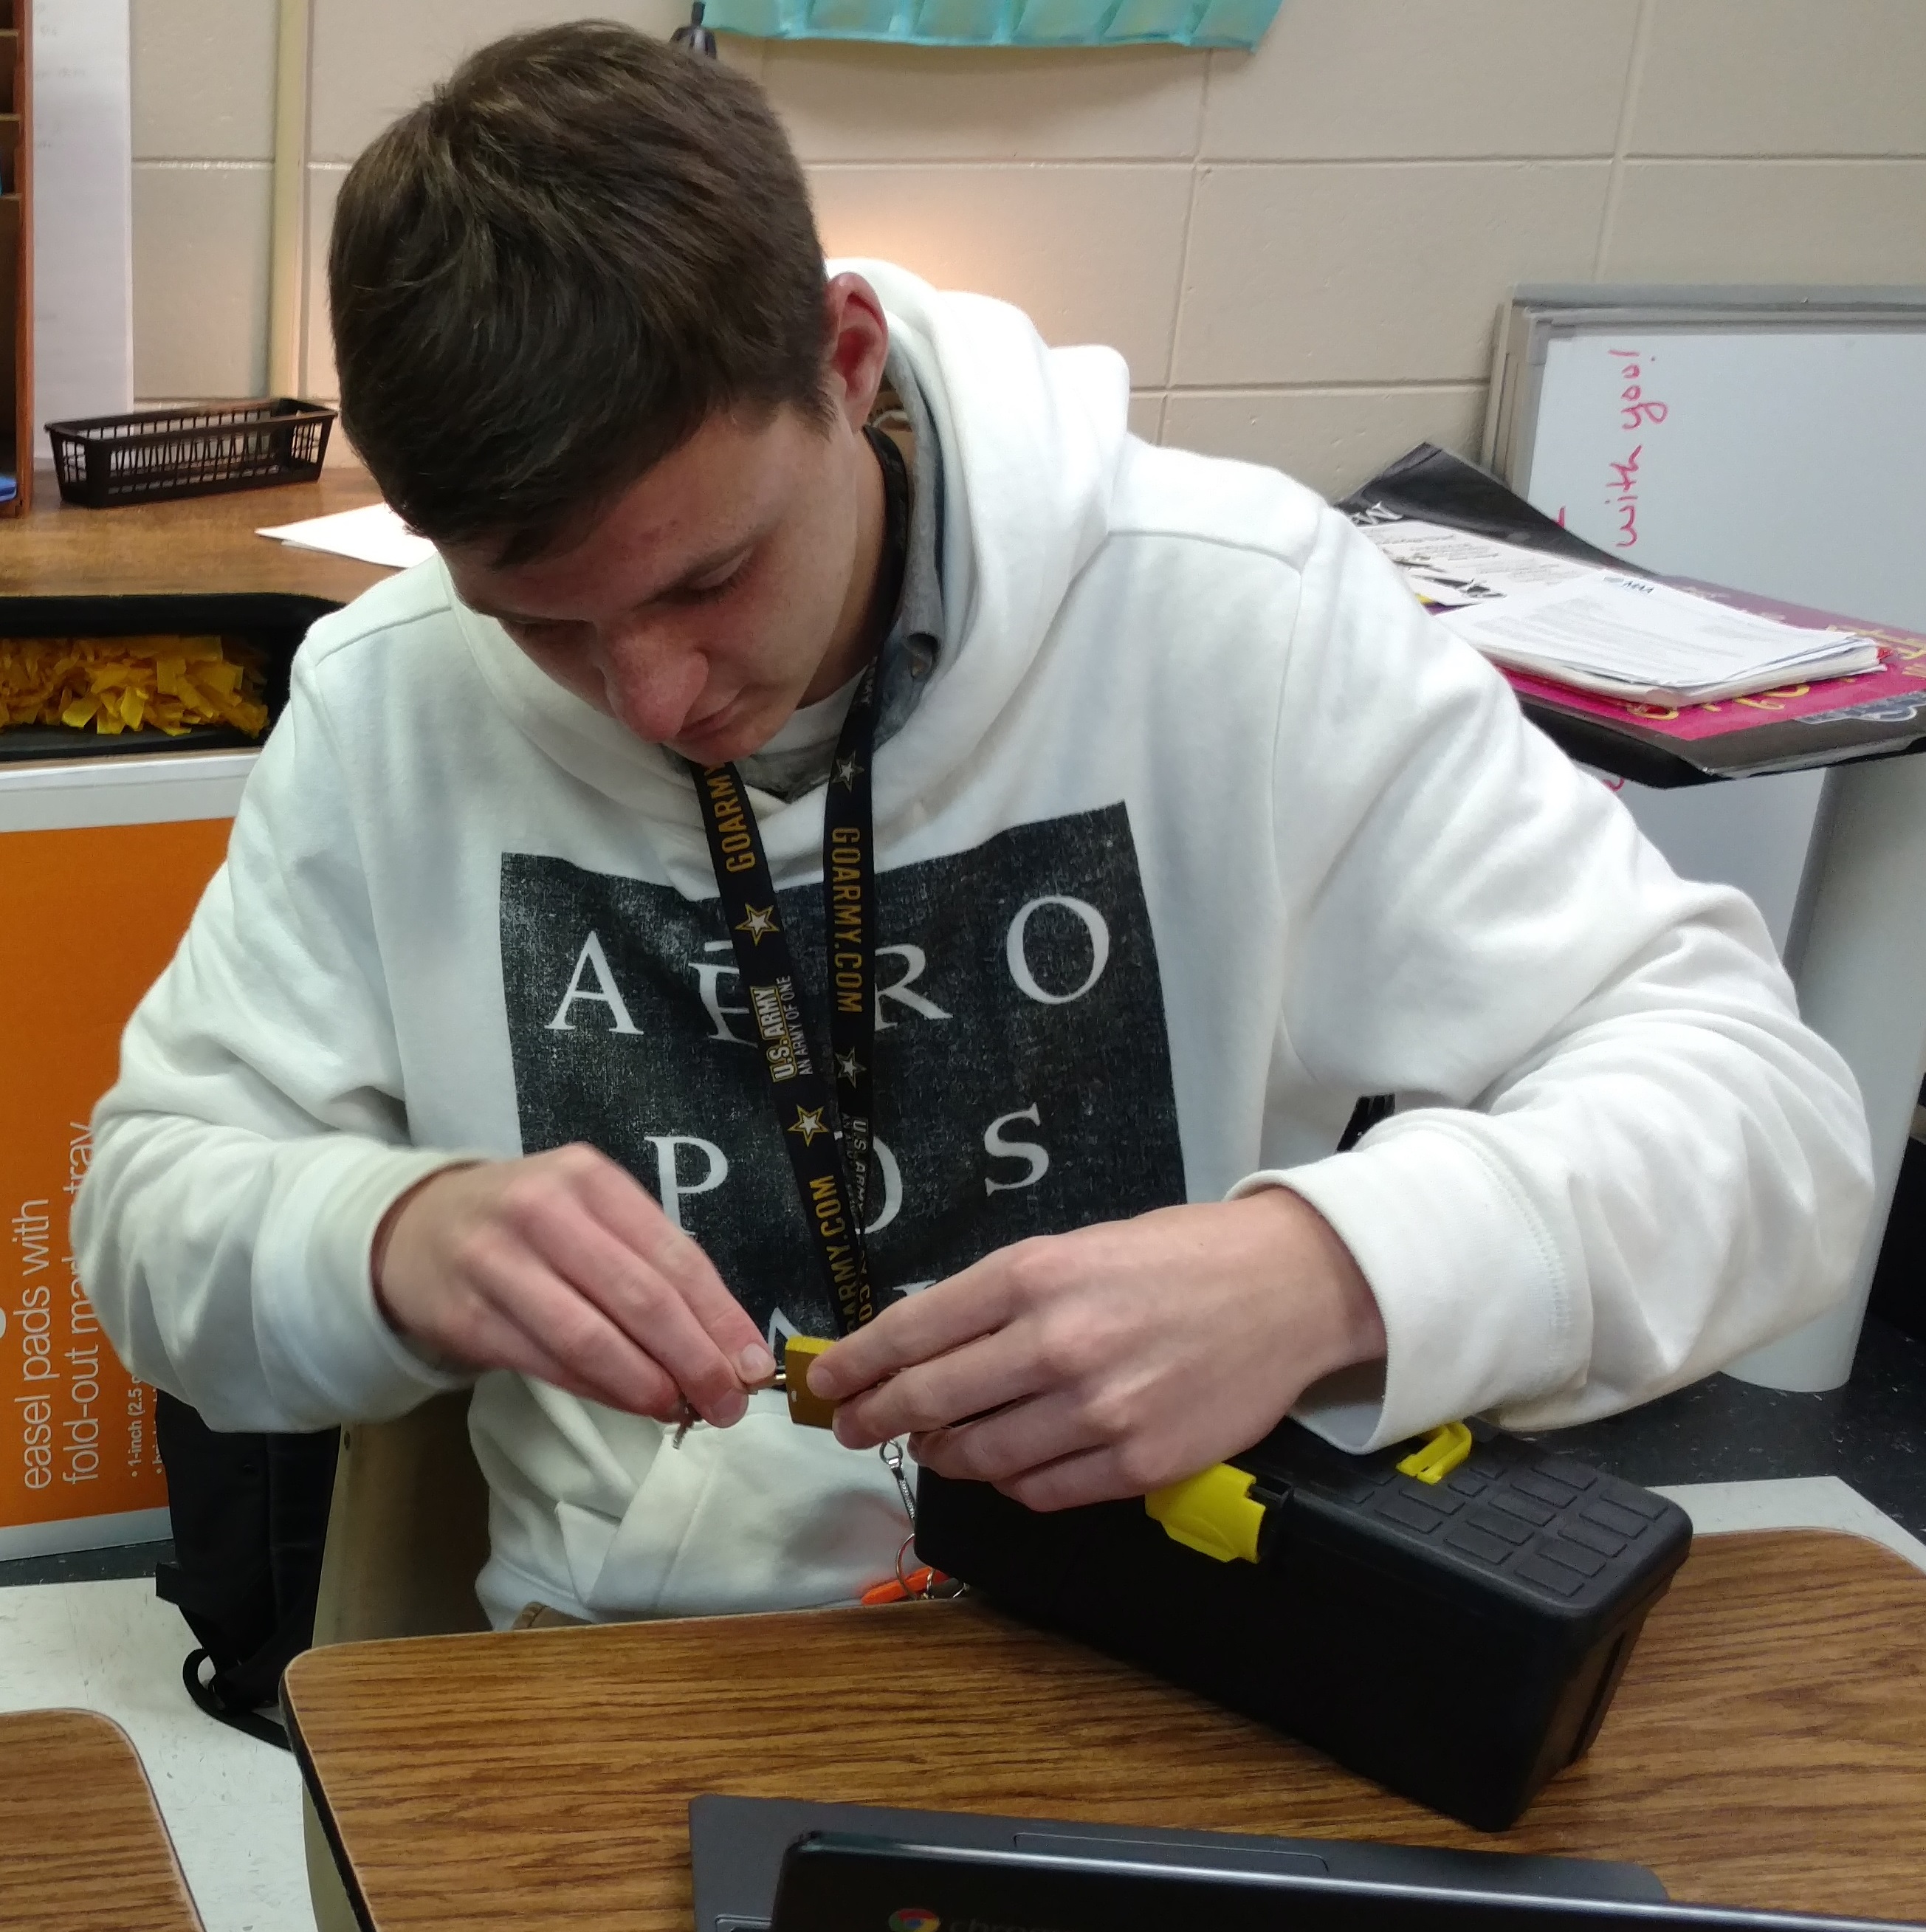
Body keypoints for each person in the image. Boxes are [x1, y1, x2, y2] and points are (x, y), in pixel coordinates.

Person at [75, 23, 1871, 1630]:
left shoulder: (1231, 614)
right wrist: (390, 1234)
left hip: (1170, 1634)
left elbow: (1766, 1116)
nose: (652, 698)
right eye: (541, 622)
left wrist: (1323, 1272)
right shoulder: (391, 696)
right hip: (638, 1671)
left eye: (710, 577)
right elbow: (152, 1212)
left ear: (845, 358)